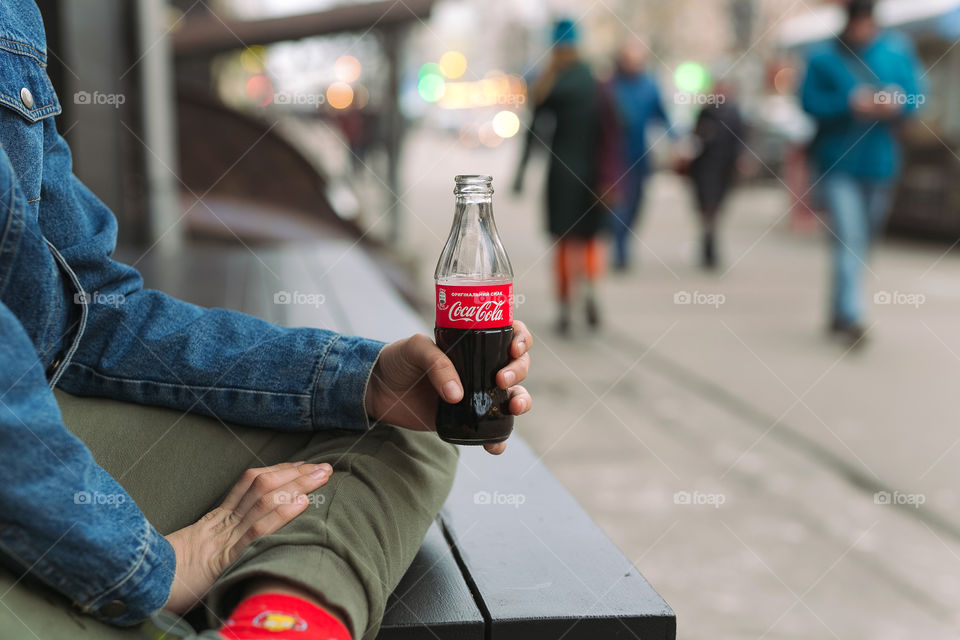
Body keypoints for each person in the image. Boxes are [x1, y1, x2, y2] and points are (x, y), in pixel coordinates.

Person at [0, 2, 533, 639]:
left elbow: (86, 310)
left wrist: (360, 379)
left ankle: (278, 622)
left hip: (30, 411)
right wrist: (151, 567)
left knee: (405, 420)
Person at [800, 0, 923, 344]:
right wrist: (850, 103)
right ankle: (852, 315)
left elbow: (916, 98)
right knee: (849, 237)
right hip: (837, 164)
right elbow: (808, 103)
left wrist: (896, 103)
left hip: (880, 165)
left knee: (864, 241)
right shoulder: (823, 57)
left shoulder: (896, 52)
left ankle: (839, 310)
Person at [515, 19, 619, 335]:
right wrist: (612, 175)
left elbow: (533, 134)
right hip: (592, 177)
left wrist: (519, 175)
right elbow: (614, 130)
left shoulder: (550, 84)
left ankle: (564, 306)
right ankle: (588, 290)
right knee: (589, 240)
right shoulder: (595, 82)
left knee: (563, 242)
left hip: (561, 174)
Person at [609, 41, 673, 271]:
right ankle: (619, 250)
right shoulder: (611, 85)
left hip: (640, 158)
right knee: (618, 207)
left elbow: (662, 116)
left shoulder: (649, 86)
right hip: (615, 159)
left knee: (636, 205)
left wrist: (677, 139)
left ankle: (624, 241)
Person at [686, 80, 745, 269]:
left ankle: (710, 245)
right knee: (707, 209)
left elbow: (741, 139)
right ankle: (708, 246)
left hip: (723, 169)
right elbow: (695, 137)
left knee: (715, 210)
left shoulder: (733, 112)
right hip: (704, 168)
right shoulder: (707, 111)